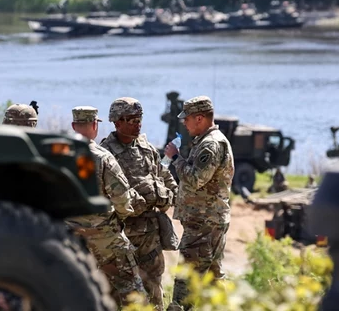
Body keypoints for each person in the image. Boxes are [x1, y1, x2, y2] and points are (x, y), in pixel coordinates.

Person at [64, 106, 149, 306]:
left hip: (70, 236)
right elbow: (122, 198)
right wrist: (121, 216)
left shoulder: (59, 155)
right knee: (132, 291)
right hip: (105, 238)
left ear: (74, 126)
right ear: (95, 125)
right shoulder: (103, 157)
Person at [100, 97, 179, 311]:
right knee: (118, 292)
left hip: (150, 236)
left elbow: (163, 175)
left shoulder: (147, 147)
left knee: (153, 287)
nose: (138, 124)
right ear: (117, 122)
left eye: (140, 118)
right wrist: (142, 198)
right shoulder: (105, 153)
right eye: (132, 119)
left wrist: (168, 194)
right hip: (122, 235)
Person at [163, 95, 234, 311]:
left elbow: (196, 179)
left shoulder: (210, 145)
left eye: (187, 119)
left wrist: (175, 158)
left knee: (186, 283)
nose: (184, 123)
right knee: (213, 280)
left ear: (200, 118)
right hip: (209, 222)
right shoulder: (207, 141)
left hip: (203, 224)